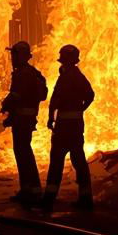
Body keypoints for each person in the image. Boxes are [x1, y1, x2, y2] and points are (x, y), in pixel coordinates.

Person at [41, 43, 94, 212]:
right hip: (74, 127)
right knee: (78, 162)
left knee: (56, 161)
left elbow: (56, 100)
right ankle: (85, 198)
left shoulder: (69, 76)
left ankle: (48, 200)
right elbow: (90, 95)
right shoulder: (75, 75)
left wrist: (51, 118)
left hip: (65, 128)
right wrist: (80, 110)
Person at [0, 41, 48, 204]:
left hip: (23, 121)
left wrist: (5, 105)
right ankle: (28, 189)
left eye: (14, 54)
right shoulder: (29, 72)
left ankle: (31, 191)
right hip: (23, 119)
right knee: (23, 153)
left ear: (22, 55)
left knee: (23, 154)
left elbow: (16, 96)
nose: (12, 57)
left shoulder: (23, 74)